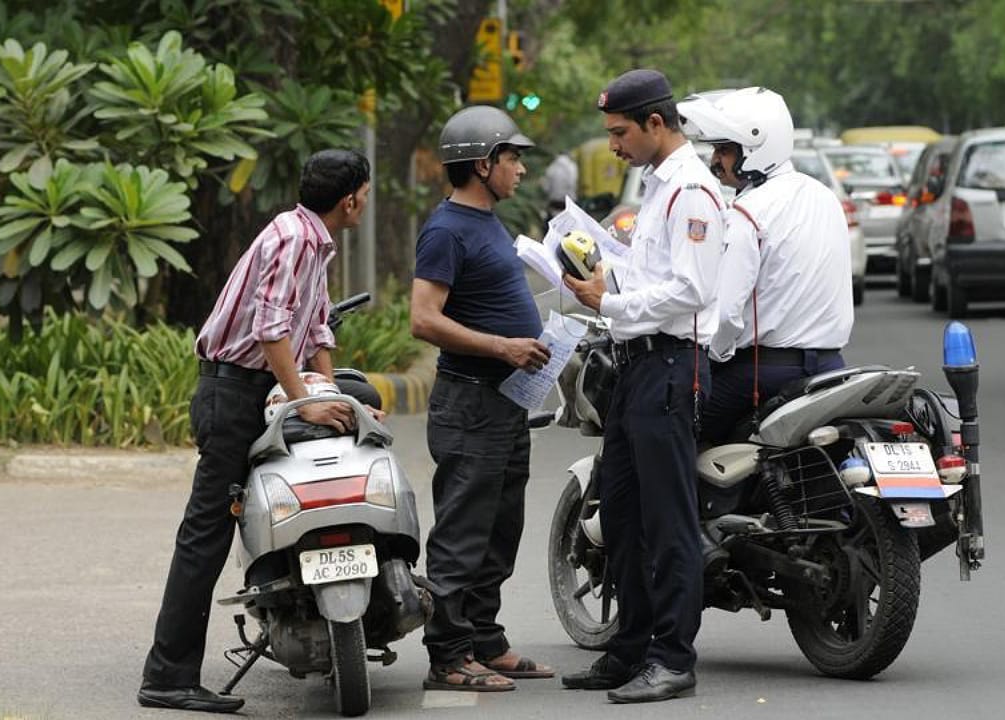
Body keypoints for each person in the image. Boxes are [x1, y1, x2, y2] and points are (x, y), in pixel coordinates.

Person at [138, 149, 380, 714]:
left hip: (252, 390)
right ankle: (167, 676)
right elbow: (272, 330)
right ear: (350, 198)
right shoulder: (295, 239)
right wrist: (306, 406)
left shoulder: (313, 241)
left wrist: (335, 400)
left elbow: (315, 327)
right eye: (365, 194)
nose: (365, 203)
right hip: (233, 394)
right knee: (205, 535)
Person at [561, 68, 725, 704]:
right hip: (635, 366)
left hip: (670, 366)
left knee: (668, 520)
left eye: (620, 131)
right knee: (622, 515)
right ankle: (628, 649)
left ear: (656, 123)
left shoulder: (693, 192)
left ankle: (672, 658)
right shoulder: (658, 188)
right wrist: (604, 269)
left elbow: (692, 291)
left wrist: (611, 302)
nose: (613, 146)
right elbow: (652, 270)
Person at [409, 105, 554, 692]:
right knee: (463, 529)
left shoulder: (488, 221)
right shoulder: (446, 229)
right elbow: (423, 319)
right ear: (482, 163)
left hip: (504, 403)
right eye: (512, 158)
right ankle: (447, 653)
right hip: (469, 402)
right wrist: (502, 347)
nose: (519, 169)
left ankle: (485, 640)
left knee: (500, 526)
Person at [678, 87, 853, 445]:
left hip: (762, 373)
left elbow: (727, 314)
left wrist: (715, 354)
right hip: (832, 367)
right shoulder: (824, 196)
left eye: (724, 150)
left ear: (755, 148)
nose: (715, 161)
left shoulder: (749, 212)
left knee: (672, 433)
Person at [542, 151, 579, 216]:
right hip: (569, 200)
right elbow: (573, 183)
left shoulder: (551, 167)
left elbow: (546, 188)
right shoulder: (572, 166)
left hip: (554, 201)